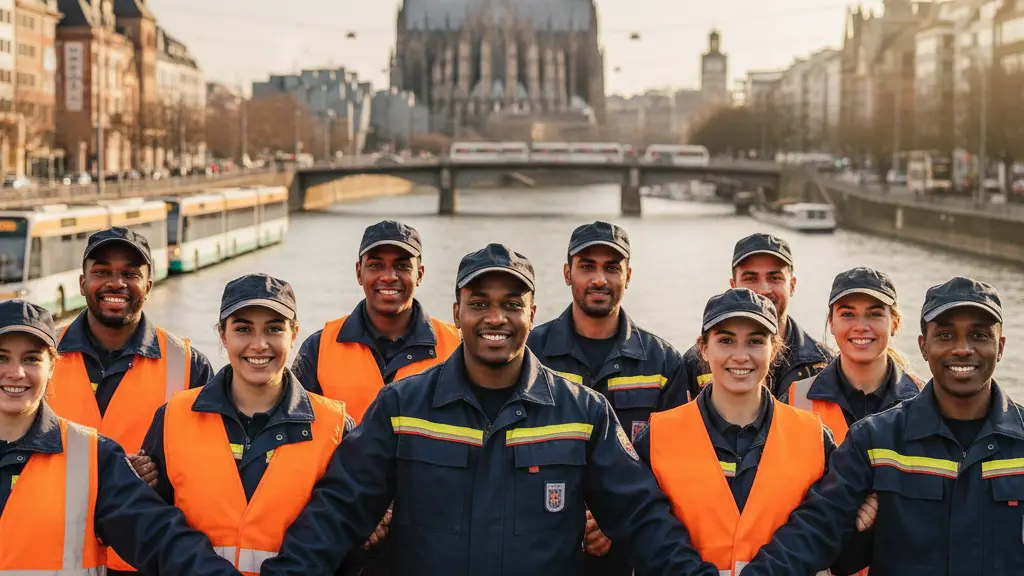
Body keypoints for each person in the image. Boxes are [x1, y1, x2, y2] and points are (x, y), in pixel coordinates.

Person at [259, 243, 720, 576]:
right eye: (479, 304)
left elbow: (642, 518)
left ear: (533, 313)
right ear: (456, 313)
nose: (495, 318)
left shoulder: (583, 414)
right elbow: (336, 513)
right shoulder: (401, 407)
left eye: (510, 305)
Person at [740, 277, 1017, 575]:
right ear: (923, 346)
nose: (963, 349)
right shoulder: (874, 440)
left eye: (978, 335)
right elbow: (815, 529)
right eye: (946, 335)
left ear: (1000, 347)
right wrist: (860, 532)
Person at [137, 273, 363, 575]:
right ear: (222, 334)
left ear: (294, 333)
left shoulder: (334, 427)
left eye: (274, 329)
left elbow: (340, 536)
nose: (259, 345)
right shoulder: (173, 418)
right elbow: (153, 524)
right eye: (243, 329)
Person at [0, 299, 242, 575]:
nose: (16, 373)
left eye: (31, 359)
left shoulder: (92, 458)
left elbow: (162, 541)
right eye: (1, 357)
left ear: (53, 367)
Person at [44, 226, 215, 574]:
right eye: (102, 272)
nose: (115, 283)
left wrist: (159, 475)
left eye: (130, 274)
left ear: (149, 286)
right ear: (82, 283)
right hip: (55, 556)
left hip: (145, 559)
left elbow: (210, 467)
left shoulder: (189, 364)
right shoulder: (40, 357)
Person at [634, 288, 837, 575]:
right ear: (703, 348)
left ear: (774, 349)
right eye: (726, 341)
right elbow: (648, 532)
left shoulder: (814, 439)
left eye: (755, 342)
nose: (740, 356)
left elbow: (821, 529)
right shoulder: (656, 439)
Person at [527, 221, 690, 576]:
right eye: (587, 266)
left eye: (611, 268)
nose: (599, 279)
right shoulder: (530, 354)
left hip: (629, 549)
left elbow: (673, 462)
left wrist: (615, 521)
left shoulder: (663, 362)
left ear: (628, 276)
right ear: (567, 273)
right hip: (542, 538)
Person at [291, 220, 460, 424]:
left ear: (420, 274)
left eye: (402, 266)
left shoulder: (457, 348)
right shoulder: (318, 349)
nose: (389, 276)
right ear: (358, 273)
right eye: (376, 265)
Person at [681, 233, 833, 401]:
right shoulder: (693, 364)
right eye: (751, 278)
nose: (763, 289)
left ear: (792, 285)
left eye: (774, 278)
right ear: (733, 286)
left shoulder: (823, 363)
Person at [788, 267, 922, 444]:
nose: (861, 326)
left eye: (874, 314)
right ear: (831, 323)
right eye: (848, 314)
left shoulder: (924, 399)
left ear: (894, 324)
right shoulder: (796, 399)